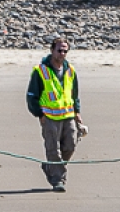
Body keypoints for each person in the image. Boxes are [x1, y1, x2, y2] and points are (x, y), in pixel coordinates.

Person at [25, 37, 82, 193]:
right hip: (49, 117)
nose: (62, 53)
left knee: (70, 146)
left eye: (65, 51)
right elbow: (31, 96)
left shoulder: (70, 70)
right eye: (59, 50)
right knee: (53, 150)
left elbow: (74, 94)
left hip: (68, 116)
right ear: (52, 50)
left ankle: (50, 166)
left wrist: (77, 112)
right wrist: (39, 114)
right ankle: (58, 180)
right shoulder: (40, 71)